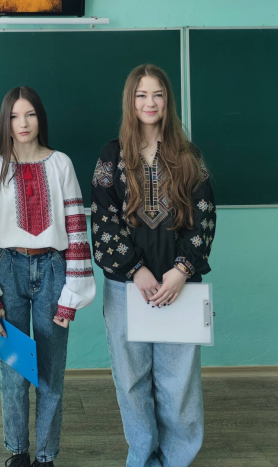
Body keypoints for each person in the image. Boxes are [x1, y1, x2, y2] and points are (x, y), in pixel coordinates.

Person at [91, 64, 216, 467]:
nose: (150, 102)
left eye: (158, 94)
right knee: (132, 382)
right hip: (126, 288)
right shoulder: (112, 155)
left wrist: (182, 270)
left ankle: (177, 459)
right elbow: (103, 218)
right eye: (141, 94)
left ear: (167, 101)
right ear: (130, 101)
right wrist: (135, 270)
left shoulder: (188, 156)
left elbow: (203, 214)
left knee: (179, 384)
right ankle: (142, 458)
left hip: (180, 287)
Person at [0, 87, 96, 467]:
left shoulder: (61, 164)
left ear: (41, 118)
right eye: (14, 116)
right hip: (7, 271)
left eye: (30, 114)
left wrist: (73, 295)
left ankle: (45, 456)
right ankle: (18, 453)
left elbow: (76, 229)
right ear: (5, 122)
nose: (22, 124)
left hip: (54, 270)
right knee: (12, 372)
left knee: (50, 373)